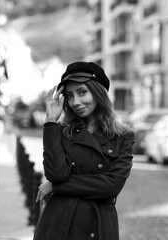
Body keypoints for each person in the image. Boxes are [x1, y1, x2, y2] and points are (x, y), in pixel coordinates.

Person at [33, 61, 135, 240]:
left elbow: (111, 187)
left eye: (82, 92)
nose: (75, 102)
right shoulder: (63, 131)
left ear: (98, 93)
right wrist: (50, 122)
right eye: (70, 95)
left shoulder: (122, 136)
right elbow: (56, 174)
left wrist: (57, 187)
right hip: (58, 224)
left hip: (98, 226)